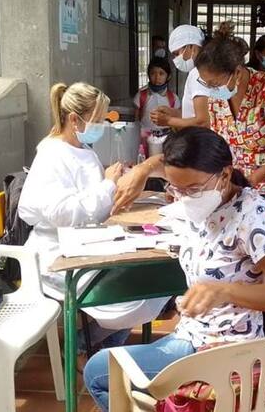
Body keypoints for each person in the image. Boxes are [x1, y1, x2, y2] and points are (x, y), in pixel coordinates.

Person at [83, 127, 265, 411]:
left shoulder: (253, 216)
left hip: (222, 347)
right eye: (175, 189)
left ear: (224, 174)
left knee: (98, 372)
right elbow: (169, 166)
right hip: (192, 334)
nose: (184, 198)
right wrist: (144, 170)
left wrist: (225, 290)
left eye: (193, 189)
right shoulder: (200, 200)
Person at [18, 82, 168, 348]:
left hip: (88, 243)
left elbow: (88, 196)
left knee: (151, 286)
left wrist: (116, 179)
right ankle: (86, 344)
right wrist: (108, 185)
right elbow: (61, 213)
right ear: (75, 119)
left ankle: (98, 343)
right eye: (98, 120)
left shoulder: (82, 149)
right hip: (57, 253)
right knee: (132, 299)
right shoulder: (52, 154)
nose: (102, 126)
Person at [195, 32, 265, 336]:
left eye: (215, 84)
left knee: (264, 266)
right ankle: (233, 330)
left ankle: (261, 338)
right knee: (237, 260)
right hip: (242, 184)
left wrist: (254, 179)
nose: (210, 90)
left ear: (236, 72)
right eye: (205, 84)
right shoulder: (218, 99)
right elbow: (221, 142)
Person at [150, 25, 211, 129]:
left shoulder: (199, 73)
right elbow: (191, 115)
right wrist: (173, 113)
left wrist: (168, 120)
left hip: (202, 139)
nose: (175, 59)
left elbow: (203, 121)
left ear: (191, 46)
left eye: (176, 53)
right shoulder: (196, 71)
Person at [133, 57, 180, 134]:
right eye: (153, 73)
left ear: (168, 76)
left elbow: (177, 121)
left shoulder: (173, 98)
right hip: (145, 136)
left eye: (161, 73)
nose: (157, 77)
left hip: (167, 137)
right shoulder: (141, 96)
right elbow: (136, 120)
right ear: (148, 75)